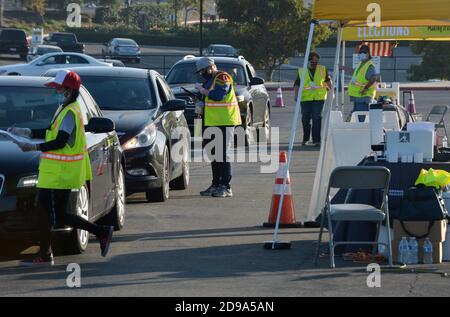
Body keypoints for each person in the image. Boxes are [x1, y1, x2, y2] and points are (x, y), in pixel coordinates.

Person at [9, 70, 114, 267]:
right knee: (59, 214)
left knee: (44, 211)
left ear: (68, 90)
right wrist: (28, 131)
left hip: (60, 173)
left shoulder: (70, 112)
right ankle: (100, 232)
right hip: (57, 172)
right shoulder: (64, 109)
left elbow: (60, 141)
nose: (55, 91)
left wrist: (32, 146)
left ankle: (45, 254)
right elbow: (50, 131)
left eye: (58, 88)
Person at [194, 57, 241, 198]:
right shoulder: (209, 80)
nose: (202, 73)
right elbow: (208, 97)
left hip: (225, 121)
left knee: (222, 154)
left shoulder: (222, 77)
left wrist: (202, 90)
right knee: (213, 155)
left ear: (211, 67)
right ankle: (215, 184)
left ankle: (226, 186)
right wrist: (199, 100)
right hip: (212, 121)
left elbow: (218, 95)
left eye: (203, 71)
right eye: (200, 72)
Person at [294, 52, 331, 147]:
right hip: (305, 98)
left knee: (317, 118)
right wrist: (296, 95)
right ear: (307, 60)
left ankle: (317, 140)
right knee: (305, 119)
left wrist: (331, 91)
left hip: (319, 97)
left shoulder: (322, 69)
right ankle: (305, 138)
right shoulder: (301, 71)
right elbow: (297, 84)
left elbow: (328, 81)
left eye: (315, 61)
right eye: (311, 60)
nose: (313, 62)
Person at [346, 45, 380, 113]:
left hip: (364, 96)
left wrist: (365, 89)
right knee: (357, 117)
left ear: (367, 54)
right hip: (358, 96)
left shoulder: (369, 65)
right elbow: (355, 73)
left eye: (363, 52)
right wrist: (343, 68)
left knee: (362, 118)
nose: (361, 54)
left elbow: (374, 78)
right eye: (360, 52)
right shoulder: (361, 64)